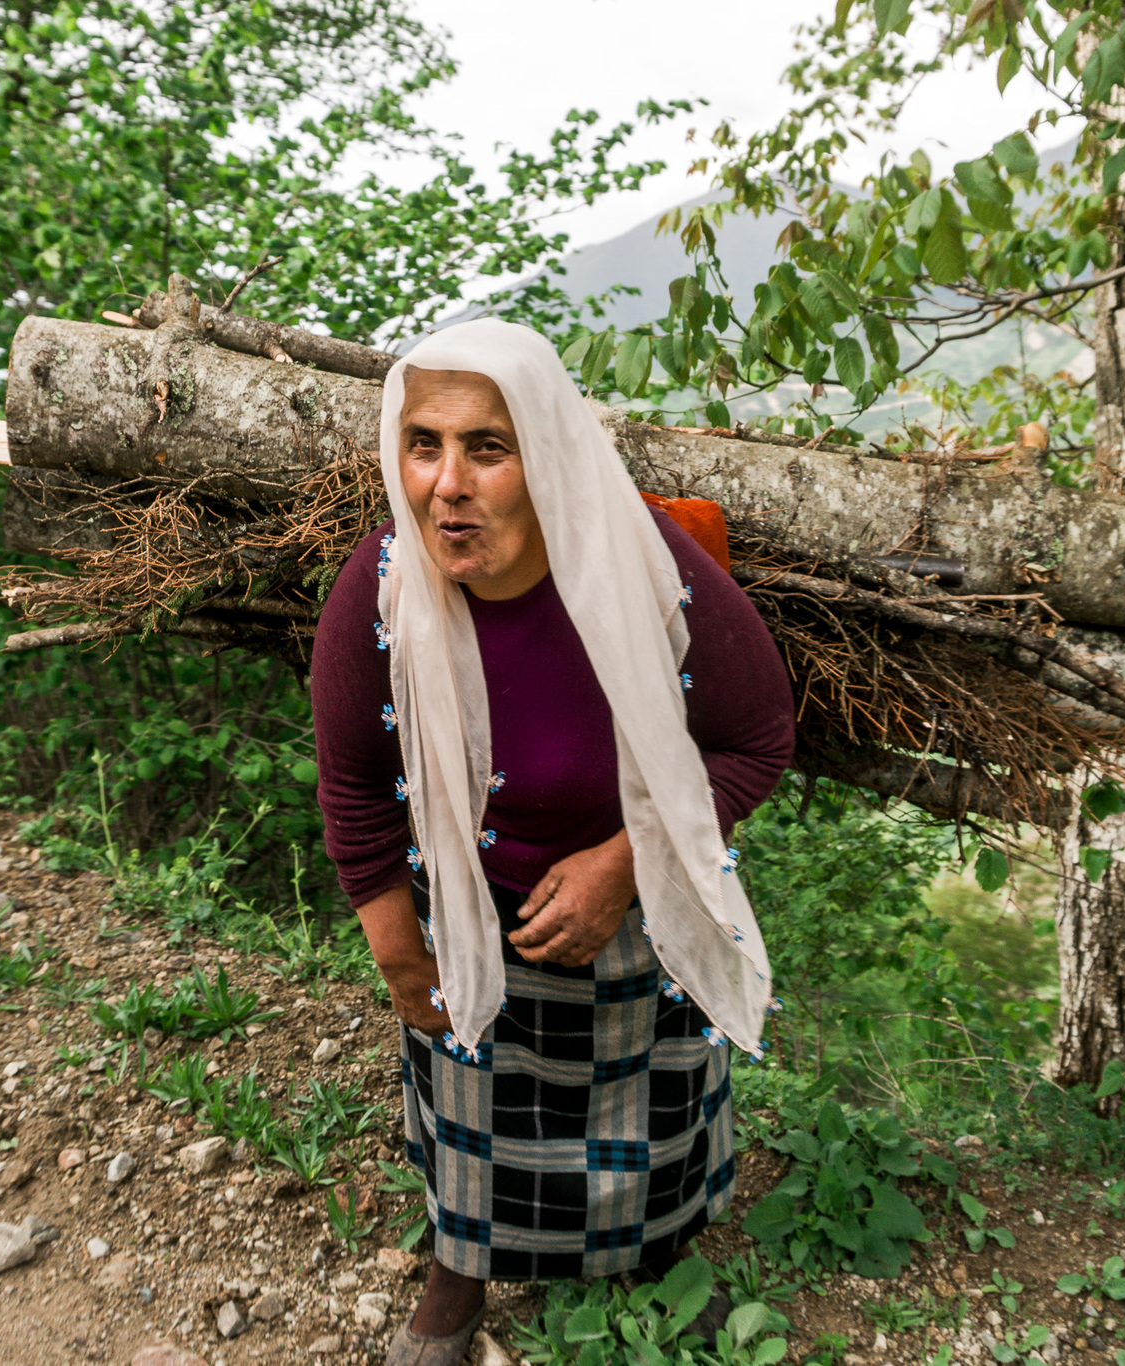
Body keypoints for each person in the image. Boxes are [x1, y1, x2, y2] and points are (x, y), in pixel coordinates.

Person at [311, 318, 795, 1366]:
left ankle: (661, 1247)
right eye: (423, 442)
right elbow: (351, 777)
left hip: (636, 905)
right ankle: (460, 1271)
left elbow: (758, 739)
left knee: (653, 1105)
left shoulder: (644, 569)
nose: (447, 481)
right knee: (471, 1088)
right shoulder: (384, 589)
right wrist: (400, 946)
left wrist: (626, 864)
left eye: (487, 446)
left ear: (547, 454)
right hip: (473, 903)